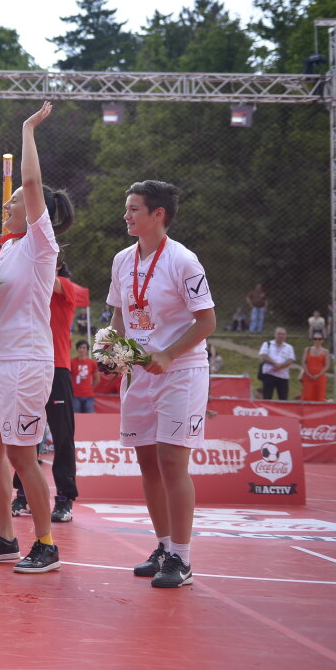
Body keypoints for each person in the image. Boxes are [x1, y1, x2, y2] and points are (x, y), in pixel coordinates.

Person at [0, 101, 73, 575]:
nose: (8, 206)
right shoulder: (4, 254)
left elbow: (30, 184)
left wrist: (28, 129)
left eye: (13, 204)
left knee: (22, 454)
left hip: (28, 361)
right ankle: (5, 536)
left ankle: (45, 543)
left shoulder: (39, 243)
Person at [108, 179, 216, 589]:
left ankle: (183, 559)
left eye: (134, 208)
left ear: (158, 214)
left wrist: (169, 353)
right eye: (127, 207)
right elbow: (119, 313)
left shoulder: (184, 261)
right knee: (147, 461)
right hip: (138, 371)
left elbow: (207, 322)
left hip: (181, 371)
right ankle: (164, 546)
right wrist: (112, 350)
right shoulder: (122, 260)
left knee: (172, 461)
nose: (126, 215)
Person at [12, 258, 80, 524]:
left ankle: (64, 499)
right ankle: (22, 493)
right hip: (29, 368)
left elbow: (48, 281)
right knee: (25, 433)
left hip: (57, 369)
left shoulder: (63, 285)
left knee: (62, 436)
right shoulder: (30, 292)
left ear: (58, 266)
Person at [258, 327, 296, 401]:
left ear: (285, 336)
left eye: (283, 334)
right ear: (275, 335)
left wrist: (281, 366)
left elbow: (291, 359)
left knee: (283, 398)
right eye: (279, 334)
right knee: (267, 397)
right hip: (269, 374)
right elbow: (263, 356)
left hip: (283, 376)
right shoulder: (267, 344)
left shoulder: (289, 347)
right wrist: (274, 364)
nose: (281, 336)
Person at [300, 333, 330, 402]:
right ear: (313, 340)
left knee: (319, 396)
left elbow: (327, 365)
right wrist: (308, 373)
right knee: (307, 396)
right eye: (315, 339)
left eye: (319, 339)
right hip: (308, 377)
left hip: (320, 377)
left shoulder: (325, 351)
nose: (317, 341)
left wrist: (318, 375)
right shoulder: (308, 349)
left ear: (322, 340)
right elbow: (304, 362)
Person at [71, 340, 97, 414]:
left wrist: (91, 388)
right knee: (76, 418)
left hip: (89, 395)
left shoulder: (92, 363)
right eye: (80, 347)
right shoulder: (71, 362)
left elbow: (97, 379)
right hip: (75, 395)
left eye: (84, 348)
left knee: (89, 419)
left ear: (87, 350)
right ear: (77, 349)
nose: (82, 349)